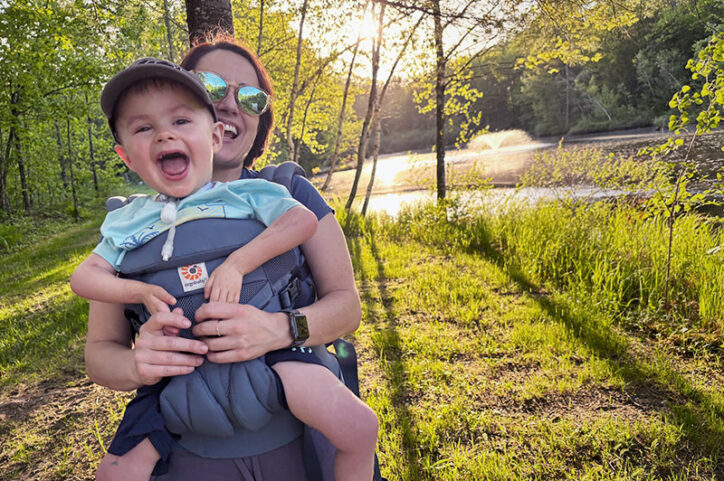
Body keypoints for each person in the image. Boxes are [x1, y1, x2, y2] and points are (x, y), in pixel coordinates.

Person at [81, 52, 378, 481]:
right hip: (184, 433)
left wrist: (278, 329)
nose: (232, 102)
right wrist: (135, 364)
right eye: (213, 86)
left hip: (294, 423)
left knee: (357, 427)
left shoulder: (284, 191)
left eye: (252, 97)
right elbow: (99, 351)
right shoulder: (130, 224)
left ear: (217, 133)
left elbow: (347, 307)